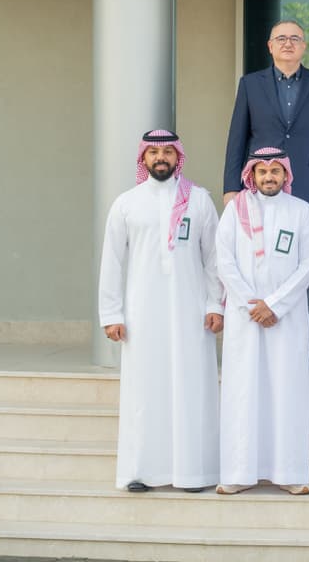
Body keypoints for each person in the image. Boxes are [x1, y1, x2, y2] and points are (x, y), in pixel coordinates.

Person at [98, 130, 222, 493]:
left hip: (191, 312)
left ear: (178, 156)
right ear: (143, 159)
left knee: (190, 388)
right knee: (144, 390)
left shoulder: (198, 201)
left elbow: (214, 260)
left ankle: (192, 473)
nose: (161, 158)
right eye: (154, 153)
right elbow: (111, 261)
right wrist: (111, 313)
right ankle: (141, 471)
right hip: (141, 313)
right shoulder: (126, 203)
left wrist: (216, 304)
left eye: (168, 151)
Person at [223, 19, 309, 375]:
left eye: (295, 39)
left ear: (304, 46)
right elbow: (237, 136)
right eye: (281, 39)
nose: (288, 44)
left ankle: (305, 349)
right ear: (269, 46)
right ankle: (260, 336)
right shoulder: (250, 84)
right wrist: (231, 186)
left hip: (308, 186)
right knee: (260, 261)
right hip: (259, 185)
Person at [215, 148, 309, 495]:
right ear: (252, 176)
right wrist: (251, 305)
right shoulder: (234, 210)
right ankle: (238, 473)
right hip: (245, 319)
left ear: (286, 175)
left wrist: (273, 305)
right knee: (242, 392)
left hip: (286, 320)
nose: (269, 177)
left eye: (276, 171)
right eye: (263, 172)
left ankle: (290, 473)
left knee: (287, 391)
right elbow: (224, 260)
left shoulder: (302, 211)